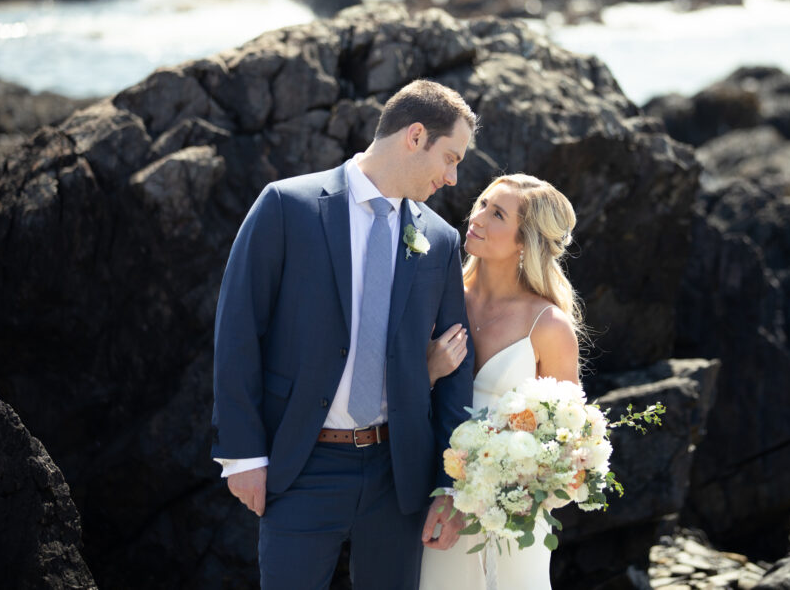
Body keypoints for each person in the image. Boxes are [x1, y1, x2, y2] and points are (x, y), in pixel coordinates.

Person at [210, 79, 477, 589]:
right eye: (450, 158)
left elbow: (456, 374)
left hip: (399, 472)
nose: (452, 177)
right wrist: (242, 456)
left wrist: (449, 483)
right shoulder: (288, 206)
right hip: (302, 463)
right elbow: (239, 330)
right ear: (415, 135)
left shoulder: (439, 240)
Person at [419, 173, 583, 590]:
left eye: (497, 214)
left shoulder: (548, 325)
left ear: (523, 241)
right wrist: (429, 372)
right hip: (428, 501)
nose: (477, 217)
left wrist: (480, 500)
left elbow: (563, 443)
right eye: (482, 204)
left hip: (508, 518)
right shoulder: (437, 297)